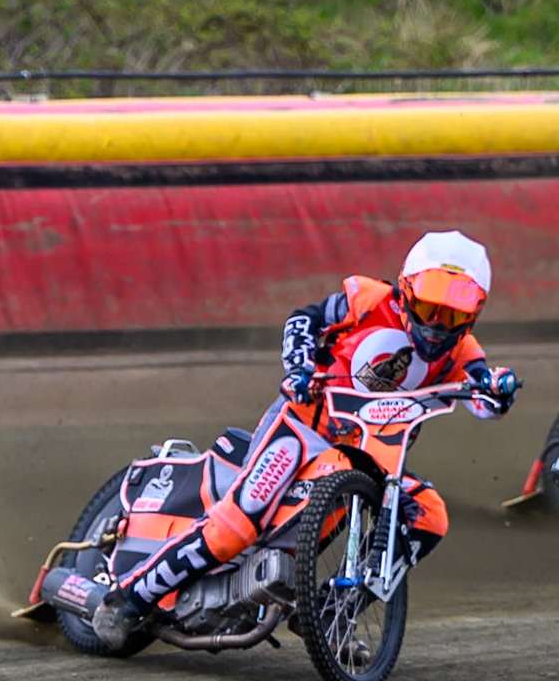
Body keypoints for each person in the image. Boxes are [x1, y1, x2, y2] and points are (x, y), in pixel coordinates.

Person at [92, 231, 520, 651]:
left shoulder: (465, 353)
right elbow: (304, 319)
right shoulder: (368, 299)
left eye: (451, 316)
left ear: (473, 315)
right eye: (428, 308)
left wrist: (498, 388)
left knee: (429, 515)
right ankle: (129, 600)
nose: (435, 326)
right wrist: (298, 369)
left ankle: (332, 613)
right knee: (237, 525)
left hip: (369, 456)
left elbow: (484, 400)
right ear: (406, 291)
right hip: (301, 428)